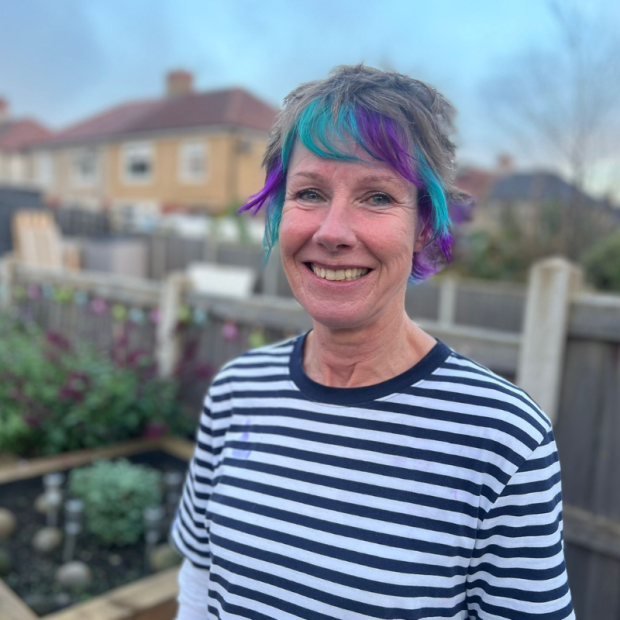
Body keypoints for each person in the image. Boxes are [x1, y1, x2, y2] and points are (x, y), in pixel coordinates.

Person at [171, 65, 575, 620]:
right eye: (309, 192)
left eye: (378, 197)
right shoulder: (237, 392)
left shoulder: (500, 438)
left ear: (425, 228)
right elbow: (199, 577)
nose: (333, 231)